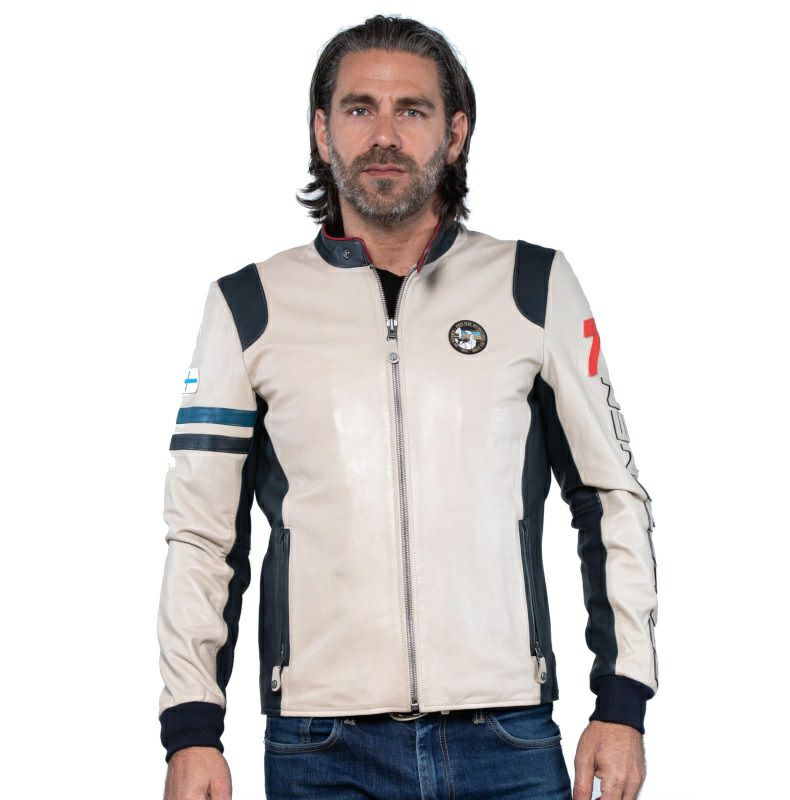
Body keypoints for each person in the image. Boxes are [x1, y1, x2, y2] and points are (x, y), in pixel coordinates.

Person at [157, 14, 659, 800]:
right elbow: (202, 534)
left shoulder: (533, 286)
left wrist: (622, 703)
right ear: (322, 131)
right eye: (359, 109)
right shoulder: (249, 305)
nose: (384, 135)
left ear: (454, 134)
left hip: (507, 737)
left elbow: (610, 497)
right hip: (320, 747)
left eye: (412, 110)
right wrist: (192, 729)